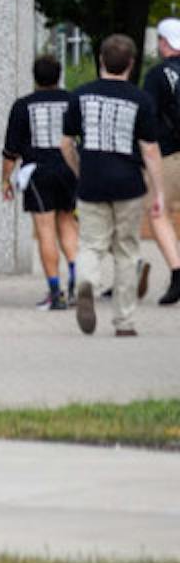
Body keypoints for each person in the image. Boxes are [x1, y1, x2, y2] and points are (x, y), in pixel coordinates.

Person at [64, 33, 168, 337]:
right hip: (129, 184)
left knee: (91, 245)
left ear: (100, 61)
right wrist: (157, 191)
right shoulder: (140, 100)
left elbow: (66, 144)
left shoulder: (80, 95)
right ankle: (124, 321)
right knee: (126, 250)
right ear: (131, 64)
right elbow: (149, 149)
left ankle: (86, 281)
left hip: (92, 180)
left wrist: (79, 170)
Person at [0, 54, 80, 309]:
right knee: (68, 225)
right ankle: (78, 283)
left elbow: (10, 150)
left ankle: (55, 293)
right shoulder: (72, 100)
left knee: (45, 230)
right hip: (69, 169)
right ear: (59, 75)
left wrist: (5, 180)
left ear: (34, 77)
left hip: (38, 172)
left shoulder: (23, 105)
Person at [138, 17, 180, 306]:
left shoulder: (156, 75)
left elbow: (147, 118)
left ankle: (177, 271)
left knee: (158, 212)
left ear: (164, 43)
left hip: (169, 154)